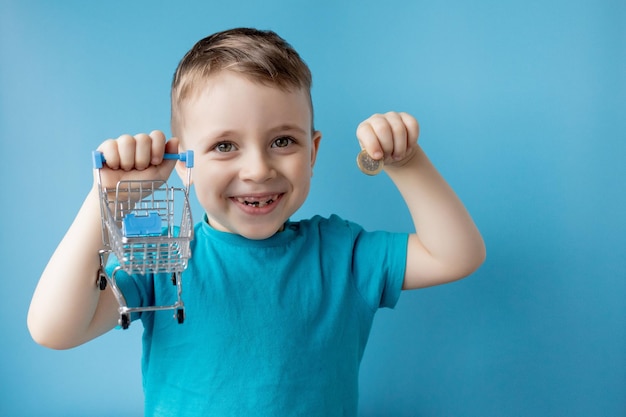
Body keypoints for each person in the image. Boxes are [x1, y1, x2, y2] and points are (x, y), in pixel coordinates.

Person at [28, 27, 486, 416]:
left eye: (282, 140)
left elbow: (456, 255)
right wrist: (105, 200)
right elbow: (53, 329)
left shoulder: (343, 253)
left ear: (313, 152)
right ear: (183, 163)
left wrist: (408, 163)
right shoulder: (165, 257)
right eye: (225, 146)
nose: (258, 170)